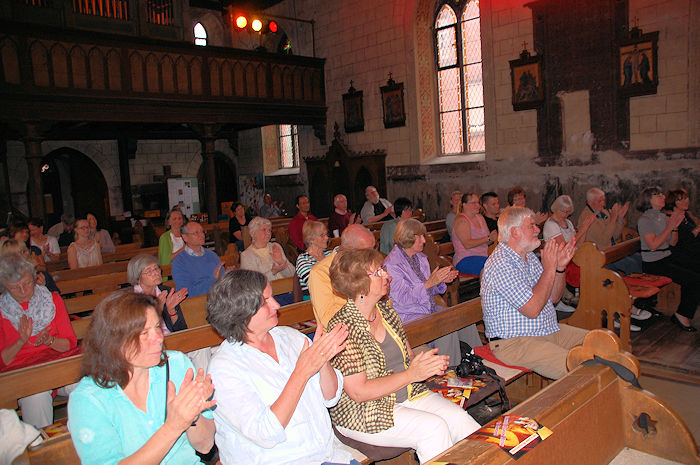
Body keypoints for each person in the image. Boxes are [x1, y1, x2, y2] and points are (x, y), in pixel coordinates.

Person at [327, 248, 480, 464]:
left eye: (383, 269)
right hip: (364, 411)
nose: (387, 275)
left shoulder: (386, 312)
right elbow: (359, 392)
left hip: (408, 393)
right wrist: (411, 374)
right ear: (359, 284)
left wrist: (426, 363)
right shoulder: (343, 327)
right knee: (434, 429)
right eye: (378, 272)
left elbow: (408, 356)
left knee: (460, 419)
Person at [206, 269, 357, 465]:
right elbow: (266, 433)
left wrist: (322, 361)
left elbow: (331, 397)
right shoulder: (224, 369)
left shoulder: (290, 337)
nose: (276, 305)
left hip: (329, 455)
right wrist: (301, 372)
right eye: (265, 302)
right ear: (241, 312)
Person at [67, 292, 215, 464]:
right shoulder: (89, 399)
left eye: (157, 327)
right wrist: (174, 425)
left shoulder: (176, 365)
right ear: (113, 341)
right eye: (144, 333)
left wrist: (193, 415)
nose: (159, 338)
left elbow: (205, 446)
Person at [480, 207, 588, 379]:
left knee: (599, 342)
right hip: (514, 343)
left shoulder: (528, 256)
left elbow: (553, 298)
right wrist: (550, 268)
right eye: (532, 225)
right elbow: (532, 310)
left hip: (546, 331)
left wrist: (559, 268)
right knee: (578, 368)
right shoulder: (501, 264)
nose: (538, 229)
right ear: (515, 232)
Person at [384, 219, 479, 363]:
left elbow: (426, 291)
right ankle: (450, 372)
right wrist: (430, 282)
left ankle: (479, 362)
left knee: (464, 319)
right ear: (408, 238)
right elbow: (403, 298)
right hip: (408, 317)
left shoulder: (420, 258)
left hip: (428, 310)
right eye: (420, 236)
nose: (424, 240)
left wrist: (440, 281)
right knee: (447, 326)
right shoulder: (392, 265)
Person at [0, 254, 78, 427]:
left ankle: (87, 437)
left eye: (27, 283)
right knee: (36, 396)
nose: (23, 291)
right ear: (5, 286)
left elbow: (69, 344)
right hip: (24, 377)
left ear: (34, 278)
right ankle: (41, 442)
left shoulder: (52, 301)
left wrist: (50, 341)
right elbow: (3, 361)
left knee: (86, 387)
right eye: (15, 287)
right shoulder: (2, 312)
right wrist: (21, 341)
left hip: (57, 368)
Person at [636, 187, 699, 331]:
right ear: (648, 200)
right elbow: (653, 245)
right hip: (654, 263)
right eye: (657, 195)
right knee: (694, 280)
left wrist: (674, 228)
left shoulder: (662, 217)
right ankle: (681, 315)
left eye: (661, 194)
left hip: (667, 257)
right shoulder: (645, 220)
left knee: (696, 268)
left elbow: (673, 243)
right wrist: (670, 228)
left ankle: (686, 309)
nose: (662, 196)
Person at [308, 224, 376, 327]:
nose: (372, 257)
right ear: (350, 251)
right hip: (345, 332)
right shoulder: (320, 272)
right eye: (367, 252)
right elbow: (328, 319)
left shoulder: (368, 265)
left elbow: (385, 302)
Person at [577, 187, 640, 275]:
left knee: (638, 257)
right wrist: (613, 219)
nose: (603, 204)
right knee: (631, 264)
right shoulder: (588, 217)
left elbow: (614, 236)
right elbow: (604, 240)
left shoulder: (603, 212)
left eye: (604, 200)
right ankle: (638, 282)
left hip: (611, 251)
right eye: (599, 201)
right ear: (589, 202)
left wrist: (619, 219)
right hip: (600, 255)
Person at [128, 254, 188, 333]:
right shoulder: (130, 299)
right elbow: (137, 332)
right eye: (149, 271)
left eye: (156, 268)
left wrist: (171, 310)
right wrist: (157, 310)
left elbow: (181, 329)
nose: (156, 273)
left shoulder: (167, 292)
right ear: (137, 279)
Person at [172, 222, 223, 298]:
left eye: (202, 231)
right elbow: (186, 293)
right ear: (185, 237)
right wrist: (213, 280)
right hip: (197, 302)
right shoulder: (179, 261)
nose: (202, 235)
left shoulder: (212, 255)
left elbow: (224, 282)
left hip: (218, 298)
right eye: (196, 233)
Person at [452, 192, 497, 275]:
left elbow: (488, 241)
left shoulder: (480, 217)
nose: (478, 206)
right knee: (494, 268)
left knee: (501, 263)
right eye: (473, 203)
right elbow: (467, 244)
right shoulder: (461, 220)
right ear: (464, 205)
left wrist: (494, 237)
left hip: (483, 257)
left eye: (478, 202)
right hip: (465, 259)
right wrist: (488, 238)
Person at [241, 216, 295, 282]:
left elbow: (293, 274)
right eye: (264, 230)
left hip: (286, 286)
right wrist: (273, 272)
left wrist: (281, 262)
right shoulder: (246, 255)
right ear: (253, 233)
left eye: (269, 230)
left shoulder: (275, 246)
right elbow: (253, 282)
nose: (268, 233)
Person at [295, 220, 332, 298]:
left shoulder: (330, 254)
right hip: (314, 300)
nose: (326, 238)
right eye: (322, 235)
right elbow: (315, 284)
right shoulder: (303, 259)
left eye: (326, 234)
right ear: (310, 239)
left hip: (334, 295)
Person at [665, 188, 700, 260]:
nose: (685, 201)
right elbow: (686, 239)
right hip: (684, 255)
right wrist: (698, 229)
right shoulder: (670, 218)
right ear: (672, 202)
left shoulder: (685, 214)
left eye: (686, 198)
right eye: (680, 200)